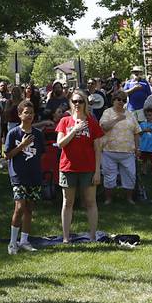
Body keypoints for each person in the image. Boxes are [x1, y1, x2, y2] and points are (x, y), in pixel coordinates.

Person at [56, 90, 104, 242]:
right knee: (67, 203)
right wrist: (74, 130)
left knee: (90, 202)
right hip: (68, 167)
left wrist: (97, 171)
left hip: (88, 168)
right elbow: (60, 143)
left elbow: (98, 149)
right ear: (71, 103)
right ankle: (65, 237)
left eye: (80, 101)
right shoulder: (65, 121)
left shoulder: (92, 123)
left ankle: (92, 236)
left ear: (85, 103)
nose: (77, 104)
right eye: (74, 101)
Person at [4, 100, 45, 254]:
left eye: (31, 113)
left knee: (29, 209)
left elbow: (40, 154)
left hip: (33, 176)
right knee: (19, 207)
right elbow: (7, 155)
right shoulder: (13, 133)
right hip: (18, 176)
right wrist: (21, 146)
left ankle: (25, 241)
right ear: (20, 114)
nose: (29, 116)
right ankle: (12, 243)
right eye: (26, 112)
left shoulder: (38, 134)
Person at [99, 91, 141, 204]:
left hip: (128, 152)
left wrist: (138, 148)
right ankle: (108, 199)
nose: (121, 102)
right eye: (118, 99)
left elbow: (136, 132)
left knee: (130, 175)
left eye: (123, 100)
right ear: (113, 100)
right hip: (109, 150)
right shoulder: (107, 113)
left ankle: (129, 198)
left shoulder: (130, 114)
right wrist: (117, 119)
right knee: (109, 176)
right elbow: (104, 127)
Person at [138, 108, 152, 175]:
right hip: (144, 146)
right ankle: (144, 171)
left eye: (150, 115)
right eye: (147, 115)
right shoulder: (142, 124)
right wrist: (144, 130)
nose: (148, 117)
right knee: (144, 160)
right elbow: (139, 133)